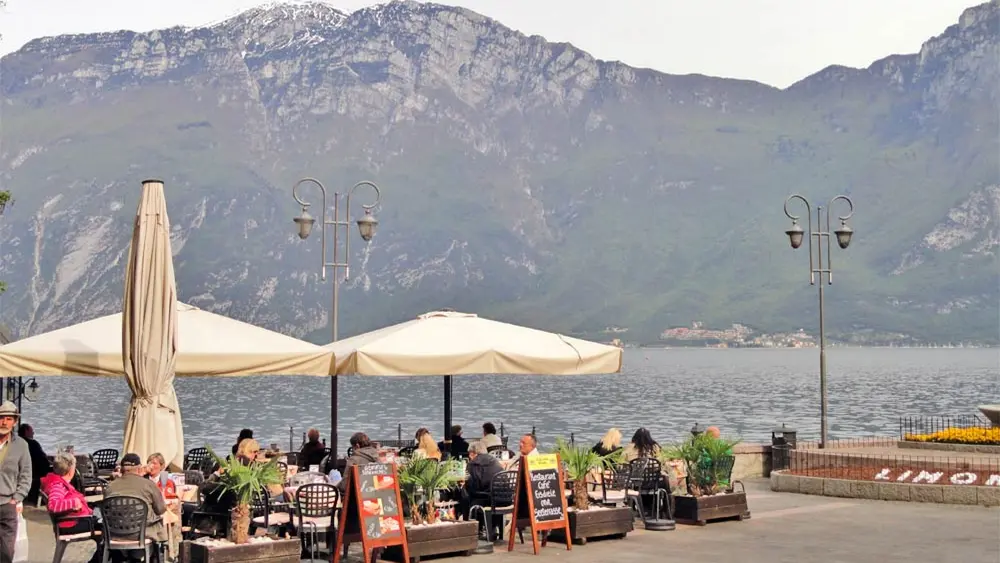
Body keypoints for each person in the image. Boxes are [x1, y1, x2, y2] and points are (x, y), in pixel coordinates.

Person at [40, 452, 103, 563]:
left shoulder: (58, 482)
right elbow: (53, 505)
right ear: (71, 470)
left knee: (102, 517)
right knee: (108, 528)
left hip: (73, 520)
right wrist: (74, 502)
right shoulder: (57, 485)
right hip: (72, 523)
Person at [105, 453, 167, 543]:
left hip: (115, 533)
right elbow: (161, 509)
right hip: (143, 533)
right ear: (139, 468)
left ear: (121, 469)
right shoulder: (148, 485)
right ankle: (161, 554)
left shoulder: (109, 487)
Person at [0, 401, 30, 563]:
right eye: (1, 418)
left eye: (8, 419)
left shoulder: (21, 445)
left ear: (15, 422)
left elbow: (26, 475)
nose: (4, 422)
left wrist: (17, 498)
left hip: (7, 503)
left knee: (6, 550)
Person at [457, 442, 502, 523]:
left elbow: (471, 487)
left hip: (485, 499)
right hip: (502, 498)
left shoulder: (473, 464)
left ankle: (465, 521)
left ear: (472, 453)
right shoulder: (495, 461)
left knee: (463, 492)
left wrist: (464, 485)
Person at [18, 423, 50, 505]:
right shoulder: (33, 444)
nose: (33, 433)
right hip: (34, 476)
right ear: (26, 431)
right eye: (31, 431)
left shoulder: (15, 443)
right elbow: (43, 462)